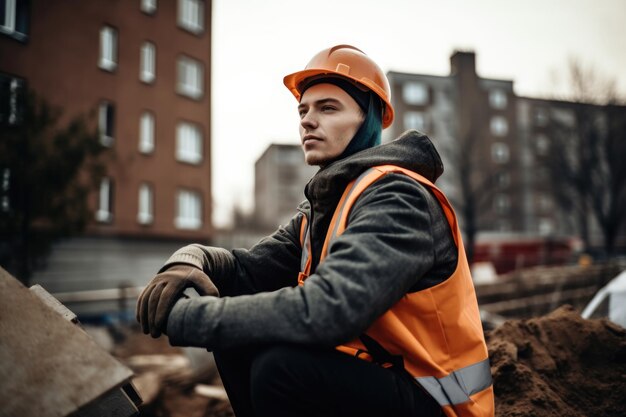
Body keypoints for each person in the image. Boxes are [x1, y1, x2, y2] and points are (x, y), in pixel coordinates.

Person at [136, 45, 494, 417]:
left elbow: (328, 310)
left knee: (282, 368)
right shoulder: (326, 209)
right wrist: (192, 259)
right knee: (239, 336)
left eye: (328, 108)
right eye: (303, 110)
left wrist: (189, 320)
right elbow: (246, 271)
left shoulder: (399, 198)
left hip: (442, 403)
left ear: (368, 118)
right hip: (386, 379)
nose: (307, 120)